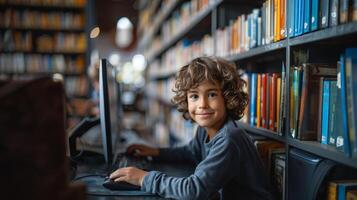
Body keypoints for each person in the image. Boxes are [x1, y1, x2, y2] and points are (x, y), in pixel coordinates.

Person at [109, 56, 274, 200]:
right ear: (186, 100)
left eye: (212, 94)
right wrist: (156, 152)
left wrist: (143, 178)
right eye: (194, 96)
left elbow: (193, 191)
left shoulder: (230, 139)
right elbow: (191, 152)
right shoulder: (206, 129)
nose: (202, 105)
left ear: (227, 97)